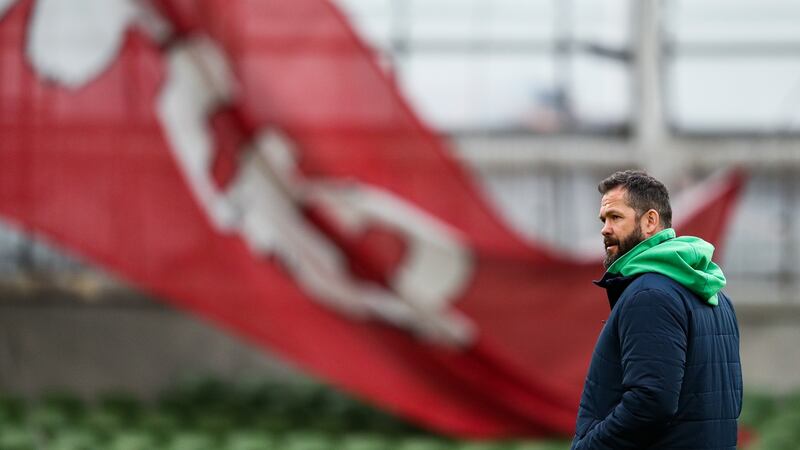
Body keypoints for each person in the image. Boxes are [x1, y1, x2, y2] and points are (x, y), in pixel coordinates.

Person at [570, 170, 742, 450]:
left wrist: (588, 446)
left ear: (650, 221)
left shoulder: (650, 295)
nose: (605, 229)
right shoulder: (717, 298)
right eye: (603, 220)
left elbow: (650, 402)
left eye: (615, 217)